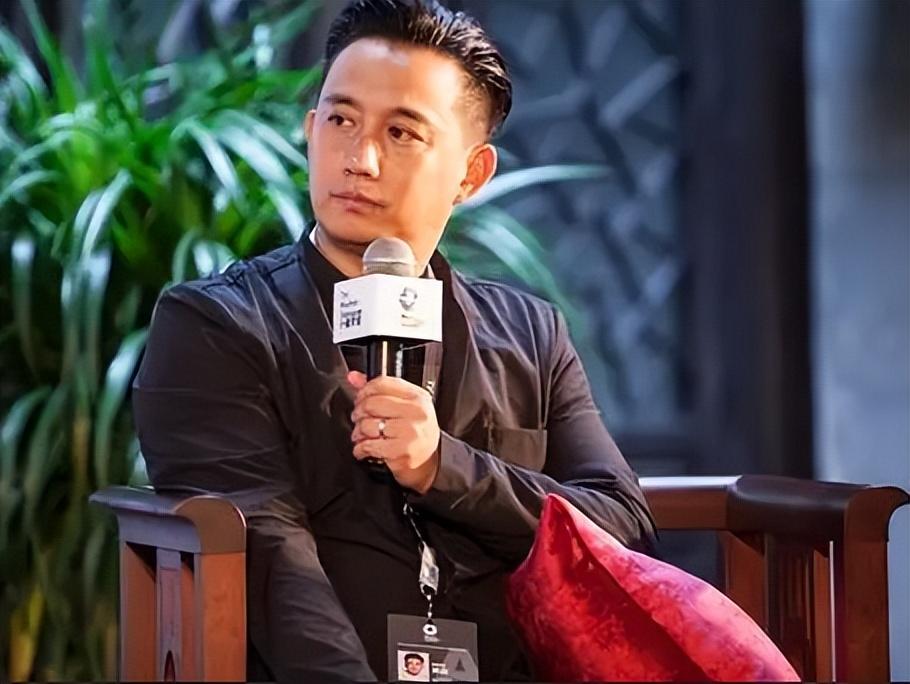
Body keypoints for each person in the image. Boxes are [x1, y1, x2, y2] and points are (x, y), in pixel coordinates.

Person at [132, 0, 656, 680]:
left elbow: (619, 523)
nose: (360, 158)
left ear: (471, 175)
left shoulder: (530, 333)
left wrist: (445, 467)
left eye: (402, 132)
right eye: (341, 121)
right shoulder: (216, 323)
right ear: (310, 129)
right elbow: (271, 555)